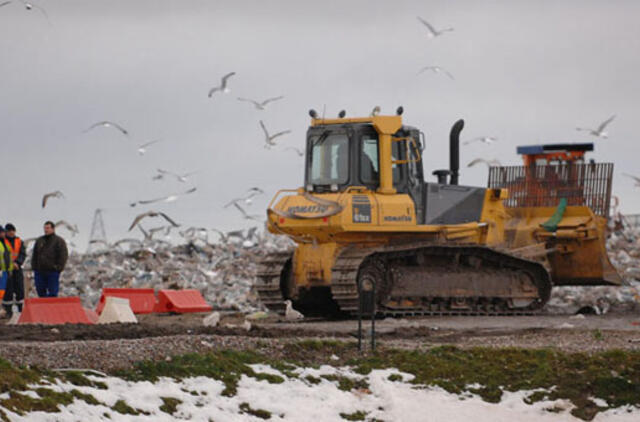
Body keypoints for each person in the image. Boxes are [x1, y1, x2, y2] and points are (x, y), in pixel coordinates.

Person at [32, 221, 68, 298]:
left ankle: (51, 308)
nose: (46, 230)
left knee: (53, 292)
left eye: (48, 228)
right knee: (40, 291)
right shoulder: (39, 241)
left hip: (52, 271)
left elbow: (63, 255)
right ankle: (43, 308)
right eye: (45, 228)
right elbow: (34, 255)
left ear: (53, 229)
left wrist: (58, 268)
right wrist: (34, 267)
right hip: (40, 271)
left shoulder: (59, 241)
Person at [2, 223, 26, 316]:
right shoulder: (2, 242)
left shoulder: (19, 241)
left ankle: (21, 310)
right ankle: (8, 311)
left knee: (19, 289)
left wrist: (18, 263)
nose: (11, 233)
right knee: (8, 291)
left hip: (17, 269)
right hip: (7, 269)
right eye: (9, 231)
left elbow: (22, 254)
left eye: (12, 231)